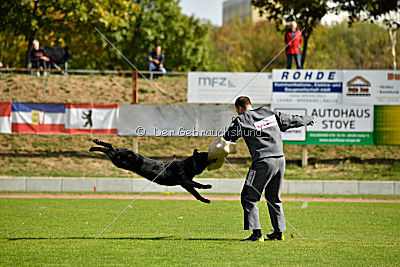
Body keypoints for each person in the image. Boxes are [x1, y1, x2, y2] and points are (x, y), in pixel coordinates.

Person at [222, 96, 314, 242]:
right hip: (280, 160)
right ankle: (278, 232)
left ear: (239, 109)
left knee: (249, 197)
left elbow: (226, 139)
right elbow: (291, 120)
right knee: (273, 197)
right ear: (250, 105)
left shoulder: (241, 120)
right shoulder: (268, 112)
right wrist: (308, 119)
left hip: (263, 162)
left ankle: (257, 235)